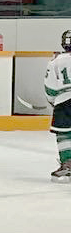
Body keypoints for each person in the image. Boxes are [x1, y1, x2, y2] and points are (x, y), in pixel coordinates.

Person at [44, 29, 71, 179]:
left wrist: (53, 101)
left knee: (64, 133)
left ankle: (68, 164)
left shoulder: (55, 61)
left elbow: (50, 87)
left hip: (64, 101)